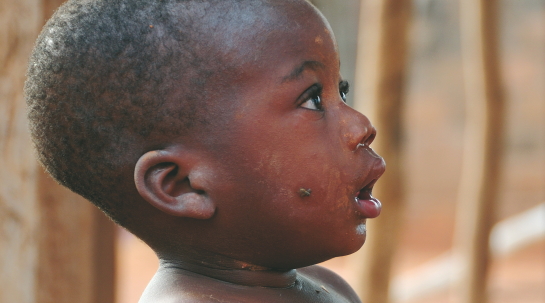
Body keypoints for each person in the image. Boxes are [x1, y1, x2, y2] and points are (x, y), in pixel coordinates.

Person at [25, 0, 386, 302]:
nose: (361, 126)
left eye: (341, 91)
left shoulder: (328, 286)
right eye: (311, 100)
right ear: (184, 185)